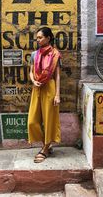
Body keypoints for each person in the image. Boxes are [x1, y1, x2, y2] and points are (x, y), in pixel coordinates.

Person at [28, 27, 61, 163]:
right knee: (32, 121)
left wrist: (57, 95)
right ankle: (45, 144)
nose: (38, 40)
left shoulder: (55, 55)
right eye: (37, 38)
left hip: (50, 87)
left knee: (49, 119)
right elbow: (30, 71)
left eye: (40, 37)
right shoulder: (34, 54)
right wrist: (33, 80)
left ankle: (46, 148)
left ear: (48, 38)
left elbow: (58, 76)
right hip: (37, 88)